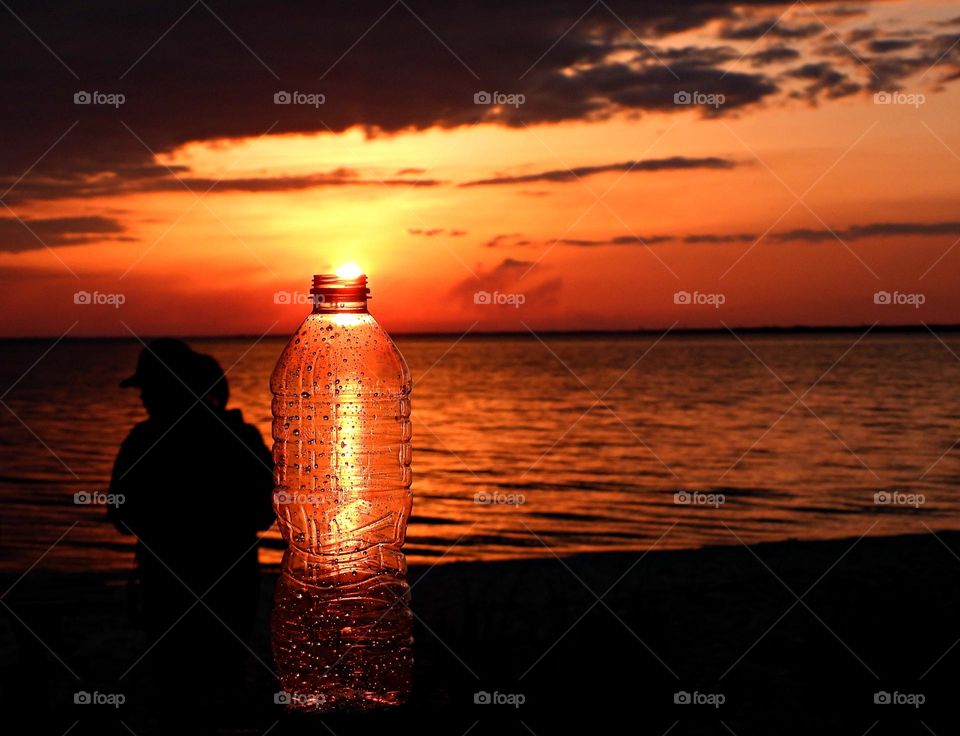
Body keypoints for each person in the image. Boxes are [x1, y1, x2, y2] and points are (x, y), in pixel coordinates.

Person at [108, 339, 274, 722]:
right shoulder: (240, 436)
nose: (144, 399)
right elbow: (268, 511)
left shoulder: (143, 440)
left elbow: (120, 516)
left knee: (177, 686)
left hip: (167, 579)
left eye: (149, 389)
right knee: (220, 680)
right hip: (233, 577)